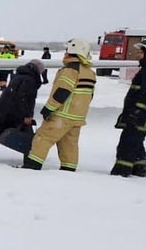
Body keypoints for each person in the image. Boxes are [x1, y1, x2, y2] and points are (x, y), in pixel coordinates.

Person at [23, 38, 97, 171]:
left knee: (42, 138)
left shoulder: (70, 71)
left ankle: (31, 166)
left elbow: (61, 92)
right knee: (69, 145)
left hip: (62, 115)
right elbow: (90, 95)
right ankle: (68, 169)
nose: (65, 53)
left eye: (67, 50)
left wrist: (48, 108)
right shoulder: (90, 73)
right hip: (77, 117)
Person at [111, 39, 146, 177]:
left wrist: (137, 112)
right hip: (138, 116)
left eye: (141, 52)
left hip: (141, 117)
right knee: (137, 143)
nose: (137, 55)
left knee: (127, 144)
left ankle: (121, 172)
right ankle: (139, 169)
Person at [0, 59, 45, 160]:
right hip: (15, 113)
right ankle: (30, 162)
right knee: (29, 137)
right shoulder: (29, 80)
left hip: (6, 111)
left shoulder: (19, 76)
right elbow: (23, 99)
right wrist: (27, 115)